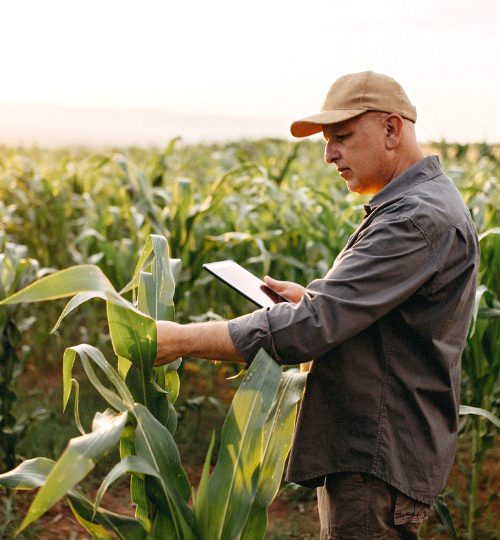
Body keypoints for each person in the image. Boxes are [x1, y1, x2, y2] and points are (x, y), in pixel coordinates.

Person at [155, 71, 479, 538]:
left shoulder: (415, 218)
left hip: (375, 457)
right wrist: (313, 300)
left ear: (392, 130)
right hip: (374, 449)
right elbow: (386, 320)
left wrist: (181, 340)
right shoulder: (415, 206)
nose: (330, 155)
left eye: (342, 137)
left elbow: (309, 328)